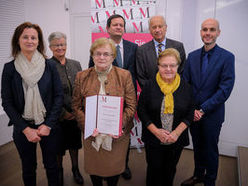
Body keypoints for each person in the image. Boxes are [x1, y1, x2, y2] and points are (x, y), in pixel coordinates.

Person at [1, 22, 63, 186]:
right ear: (18, 40)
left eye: (33, 37)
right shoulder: (9, 68)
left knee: (52, 167)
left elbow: (58, 96)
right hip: (23, 127)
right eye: (25, 37)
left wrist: (48, 125)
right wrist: (26, 129)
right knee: (28, 168)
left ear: (39, 41)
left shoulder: (49, 65)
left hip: (48, 125)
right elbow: (7, 102)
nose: (30, 41)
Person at [72, 37, 136, 186]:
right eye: (97, 53)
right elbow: (76, 106)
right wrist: (87, 125)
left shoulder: (124, 75)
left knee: (113, 172)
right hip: (92, 135)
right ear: (92, 55)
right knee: (94, 171)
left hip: (117, 136)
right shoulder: (82, 76)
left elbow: (131, 106)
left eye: (106, 54)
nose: (101, 57)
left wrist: (119, 125)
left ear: (113, 56)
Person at [181, 18, 235, 186]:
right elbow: (185, 84)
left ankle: (210, 181)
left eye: (212, 30)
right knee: (197, 147)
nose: (208, 33)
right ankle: (198, 175)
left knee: (211, 149)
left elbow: (225, 89)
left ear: (218, 33)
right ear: (200, 32)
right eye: (205, 29)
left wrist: (203, 109)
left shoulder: (227, 57)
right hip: (194, 114)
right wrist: (192, 110)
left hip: (212, 114)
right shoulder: (192, 56)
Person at [89, 14, 138, 179]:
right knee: (104, 133)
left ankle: (123, 165)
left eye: (121, 25)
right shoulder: (100, 47)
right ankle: (104, 166)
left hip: (127, 99)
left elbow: (135, 73)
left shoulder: (133, 47)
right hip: (106, 100)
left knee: (124, 135)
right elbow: (92, 72)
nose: (119, 27)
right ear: (108, 28)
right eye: (115, 24)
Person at [137, 48, 194, 186]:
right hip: (153, 138)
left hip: (176, 139)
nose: (168, 69)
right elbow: (142, 111)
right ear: (158, 66)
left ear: (178, 66)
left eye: (172, 65)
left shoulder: (185, 87)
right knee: (153, 169)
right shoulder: (150, 85)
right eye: (164, 65)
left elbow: (190, 113)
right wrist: (156, 132)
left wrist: (176, 133)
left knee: (170, 170)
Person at [48, 32, 84, 185]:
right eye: (56, 45)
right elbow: (47, 94)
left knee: (74, 144)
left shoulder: (75, 64)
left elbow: (81, 89)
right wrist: (63, 113)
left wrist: (76, 111)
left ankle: (75, 169)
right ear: (50, 47)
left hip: (75, 113)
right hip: (57, 116)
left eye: (62, 44)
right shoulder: (47, 66)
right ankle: (59, 173)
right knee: (58, 148)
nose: (60, 47)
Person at [136, 15, 186, 89]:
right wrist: (152, 92)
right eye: (154, 27)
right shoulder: (141, 50)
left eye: (160, 26)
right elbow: (140, 76)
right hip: (151, 95)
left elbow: (182, 71)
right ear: (150, 30)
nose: (157, 30)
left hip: (174, 93)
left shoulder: (178, 47)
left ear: (165, 28)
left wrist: (172, 89)